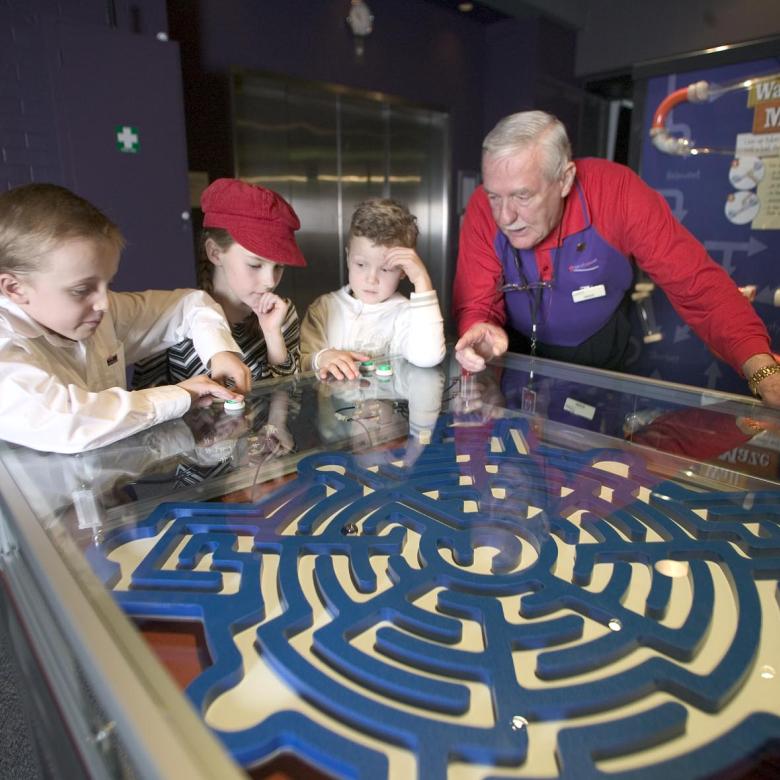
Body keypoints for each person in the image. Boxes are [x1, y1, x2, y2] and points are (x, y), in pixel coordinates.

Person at [452, 110, 780, 409]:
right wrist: (478, 328)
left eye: (523, 196)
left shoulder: (618, 192)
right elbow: (477, 301)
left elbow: (697, 285)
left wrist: (761, 369)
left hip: (597, 355)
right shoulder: (484, 207)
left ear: (565, 179)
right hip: (514, 349)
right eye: (495, 196)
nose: (505, 217)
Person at [0, 183, 250, 454]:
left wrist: (220, 351)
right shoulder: (6, 349)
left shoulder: (101, 314)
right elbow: (67, 422)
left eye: (108, 284)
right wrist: (180, 395)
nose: (103, 303)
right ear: (14, 288)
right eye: (81, 290)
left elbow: (189, 305)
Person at [133, 178, 305, 388]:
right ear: (215, 253)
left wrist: (272, 335)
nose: (270, 281)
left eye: (279, 267)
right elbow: (149, 408)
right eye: (254, 265)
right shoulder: (170, 321)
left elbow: (289, 401)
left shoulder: (282, 315)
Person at [300, 197, 445, 380]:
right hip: (332, 409)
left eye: (385, 269)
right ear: (348, 257)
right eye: (361, 264)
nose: (371, 279)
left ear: (402, 272)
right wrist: (321, 358)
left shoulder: (406, 314)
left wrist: (421, 279)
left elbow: (428, 357)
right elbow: (300, 363)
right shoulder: (323, 309)